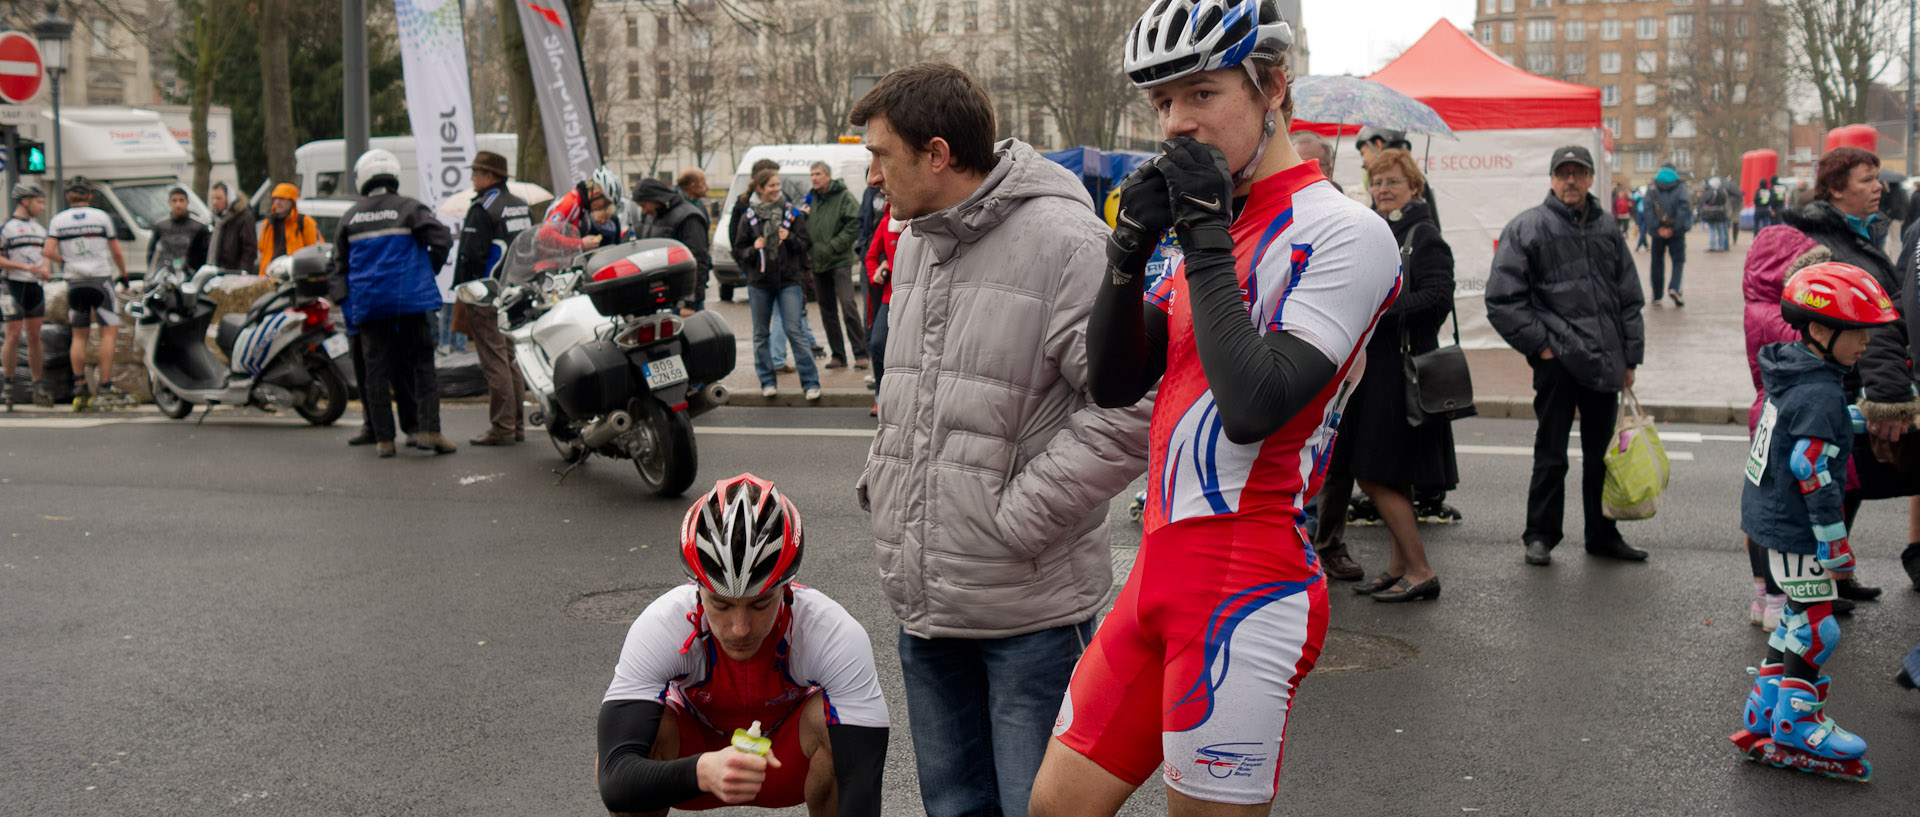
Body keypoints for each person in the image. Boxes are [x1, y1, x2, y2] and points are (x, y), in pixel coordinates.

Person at [1037, 0, 1397, 812]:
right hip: (1157, 568)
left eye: (1201, 93)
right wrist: (1127, 254)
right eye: (1162, 102)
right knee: (1054, 806)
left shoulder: (1346, 231)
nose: (1176, 124)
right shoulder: (1217, 230)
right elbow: (1115, 381)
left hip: (1247, 583)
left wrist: (1201, 235)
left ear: (1270, 87)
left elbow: (1253, 404)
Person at [851, 61, 1151, 817]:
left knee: (1034, 808)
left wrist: (1020, 515)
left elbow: (1132, 405)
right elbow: (917, 385)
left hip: (1029, 613)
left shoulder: (1068, 242)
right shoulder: (919, 238)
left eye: (882, 154)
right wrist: (883, 476)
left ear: (938, 154)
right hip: (927, 601)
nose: (872, 173)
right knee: (952, 806)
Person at [596, 474, 891, 817]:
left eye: (760, 604)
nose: (739, 629)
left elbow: (862, 791)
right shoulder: (663, 624)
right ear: (696, 588)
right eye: (720, 605)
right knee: (651, 729)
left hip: (784, 765)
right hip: (693, 766)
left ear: (786, 586)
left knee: (829, 723)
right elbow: (616, 779)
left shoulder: (832, 632)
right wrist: (703, 769)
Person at [1730, 261, 1891, 783]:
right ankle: (1799, 724)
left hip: (1769, 520)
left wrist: (1863, 417)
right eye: (1858, 332)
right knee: (1818, 628)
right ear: (1821, 330)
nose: (1866, 343)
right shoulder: (1822, 390)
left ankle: (1766, 708)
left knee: (1798, 617)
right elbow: (1811, 467)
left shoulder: (1794, 369)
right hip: (1799, 529)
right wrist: (1835, 545)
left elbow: (1807, 424)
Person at [1485, 145, 1647, 566]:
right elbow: (1502, 299)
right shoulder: (1528, 228)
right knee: (1551, 454)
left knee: (1601, 459)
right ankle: (1540, 535)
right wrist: (1542, 347)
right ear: (1553, 179)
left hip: (1604, 362)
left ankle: (1603, 534)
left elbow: (1628, 298)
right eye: (1563, 173)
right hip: (1557, 362)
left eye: (1579, 173)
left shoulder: (1608, 228)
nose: (1570, 181)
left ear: (1591, 178)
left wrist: (1630, 357)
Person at [1317, 147, 1456, 603]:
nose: (1382, 190)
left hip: (1400, 372)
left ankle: (1419, 569)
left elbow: (1438, 299)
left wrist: (1382, 308)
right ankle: (1398, 566)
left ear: (1414, 187)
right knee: (1393, 475)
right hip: (1376, 371)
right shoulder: (1383, 230)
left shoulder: (1424, 235)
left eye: (1392, 182)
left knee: (1372, 473)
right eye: (1377, 183)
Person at [328, 148, 457, 458]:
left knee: (376, 372)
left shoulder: (350, 217)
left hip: (370, 306)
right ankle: (428, 430)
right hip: (410, 302)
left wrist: (347, 301)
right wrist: (427, 270)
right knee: (422, 365)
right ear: (394, 176)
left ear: (363, 179)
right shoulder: (410, 208)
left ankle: (384, 439)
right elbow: (442, 239)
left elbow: (336, 267)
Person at [455, 151, 531, 447]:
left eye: (476, 173)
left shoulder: (482, 207)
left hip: (487, 293)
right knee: (509, 358)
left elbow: (470, 255)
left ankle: (502, 427)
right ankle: (517, 425)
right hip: (515, 293)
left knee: (495, 359)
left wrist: (464, 289)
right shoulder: (520, 205)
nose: (473, 178)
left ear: (490, 177)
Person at [733, 168, 820, 401]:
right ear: (760, 189)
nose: (776, 189)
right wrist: (755, 248)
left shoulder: (792, 214)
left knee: (794, 330)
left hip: (788, 280)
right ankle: (767, 381)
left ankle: (811, 383)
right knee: (761, 334)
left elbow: (805, 243)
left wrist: (788, 238)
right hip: (759, 283)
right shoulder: (749, 217)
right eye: (771, 185)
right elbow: (739, 251)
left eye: (777, 185)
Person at [45, 180, 130, 410]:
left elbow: (47, 251)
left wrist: (66, 262)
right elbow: (117, 251)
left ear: (68, 196)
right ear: (90, 196)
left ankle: (80, 386)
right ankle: (104, 385)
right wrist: (124, 275)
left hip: (75, 281)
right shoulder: (102, 217)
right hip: (101, 279)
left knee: (79, 335)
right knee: (109, 332)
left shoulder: (58, 220)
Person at [803, 162, 868, 370]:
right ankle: (838, 355)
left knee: (848, 305)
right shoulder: (810, 198)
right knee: (827, 310)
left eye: (818, 174)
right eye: (812, 174)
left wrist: (834, 245)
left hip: (839, 260)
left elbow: (853, 224)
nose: (814, 178)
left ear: (828, 176)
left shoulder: (843, 196)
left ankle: (861, 353)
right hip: (818, 262)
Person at [0, 183, 51, 407]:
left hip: (34, 286)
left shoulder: (40, 230)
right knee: (12, 334)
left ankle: (38, 384)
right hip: (12, 285)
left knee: (34, 335)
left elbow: (47, 254)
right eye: (39, 202)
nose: (43, 206)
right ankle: (8, 383)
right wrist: (22, 267)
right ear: (25, 201)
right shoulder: (6, 228)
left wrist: (48, 266)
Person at [633, 178, 712, 315]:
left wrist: (689, 302)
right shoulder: (653, 215)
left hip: (682, 302)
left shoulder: (689, 217)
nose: (644, 211)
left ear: (655, 198)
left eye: (644, 205)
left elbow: (698, 261)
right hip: (661, 298)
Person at [862, 204, 902, 419]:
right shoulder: (886, 224)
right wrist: (874, 274)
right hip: (889, 296)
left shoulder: (920, 223)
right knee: (878, 344)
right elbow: (870, 256)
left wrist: (890, 268)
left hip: (914, 297)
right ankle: (880, 395)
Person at [541, 166, 629, 252]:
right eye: (606, 203)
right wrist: (580, 243)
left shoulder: (581, 206)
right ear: (596, 194)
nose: (605, 208)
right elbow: (545, 235)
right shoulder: (571, 202)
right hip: (549, 264)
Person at [1645, 164, 1693, 306]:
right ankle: (1674, 288)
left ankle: (1657, 294)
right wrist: (1675, 228)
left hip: (1658, 233)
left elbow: (1647, 209)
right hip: (1676, 233)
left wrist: (1657, 228)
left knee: (1657, 262)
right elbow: (1684, 208)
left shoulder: (1653, 187)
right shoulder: (1680, 187)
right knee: (1678, 261)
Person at [257, 182, 320, 274]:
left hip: (295, 277)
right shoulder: (268, 222)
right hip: (270, 276)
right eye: (275, 199)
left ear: (292, 201)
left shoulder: (305, 222)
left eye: (282, 199)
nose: (277, 202)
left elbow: (315, 251)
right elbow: (262, 252)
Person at [148, 187, 210, 275]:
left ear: (187, 202)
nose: (178, 204)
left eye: (181, 200)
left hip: (191, 274)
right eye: (174, 200)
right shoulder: (161, 226)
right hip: (166, 273)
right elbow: (152, 253)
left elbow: (205, 253)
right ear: (169, 202)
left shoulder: (199, 226)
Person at [208, 182, 257, 271]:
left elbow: (249, 249)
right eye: (213, 198)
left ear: (229, 198)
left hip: (235, 272)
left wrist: (243, 272)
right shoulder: (217, 219)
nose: (215, 202)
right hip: (219, 271)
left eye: (219, 198)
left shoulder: (244, 217)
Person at [1702, 176, 1732, 253]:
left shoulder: (1710, 192)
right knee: (1720, 230)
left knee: (1712, 230)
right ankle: (1721, 246)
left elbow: (1706, 200)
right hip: (1720, 213)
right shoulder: (1722, 192)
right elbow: (1724, 202)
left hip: (1712, 213)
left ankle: (1712, 246)